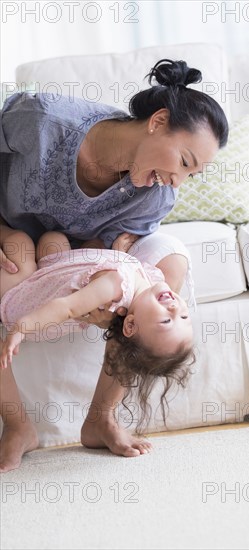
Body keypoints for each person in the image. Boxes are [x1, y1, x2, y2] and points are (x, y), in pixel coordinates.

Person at [0, 57, 228, 464]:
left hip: (71, 252)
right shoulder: (41, 121)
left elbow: (105, 246)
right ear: (157, 121)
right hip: (10, 232)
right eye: (184, 163)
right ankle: (18, 426)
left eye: (190, 176)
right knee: (16, 273)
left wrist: (102, 291)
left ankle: (100, 418)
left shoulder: (156, 194)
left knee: (170, 258)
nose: (177, 182)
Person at [0, 227, 195, 472]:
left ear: (131, 323)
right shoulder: (150, 282)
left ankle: (24, 428)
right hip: (55, 268)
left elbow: (67, 308)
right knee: (54, 240)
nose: (175, 309)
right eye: (184, 316)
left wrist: (22, 327)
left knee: (19, 241)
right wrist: (117, 254)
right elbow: (117, 267)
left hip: (19, 298)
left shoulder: (116, 287)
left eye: (167, 321)